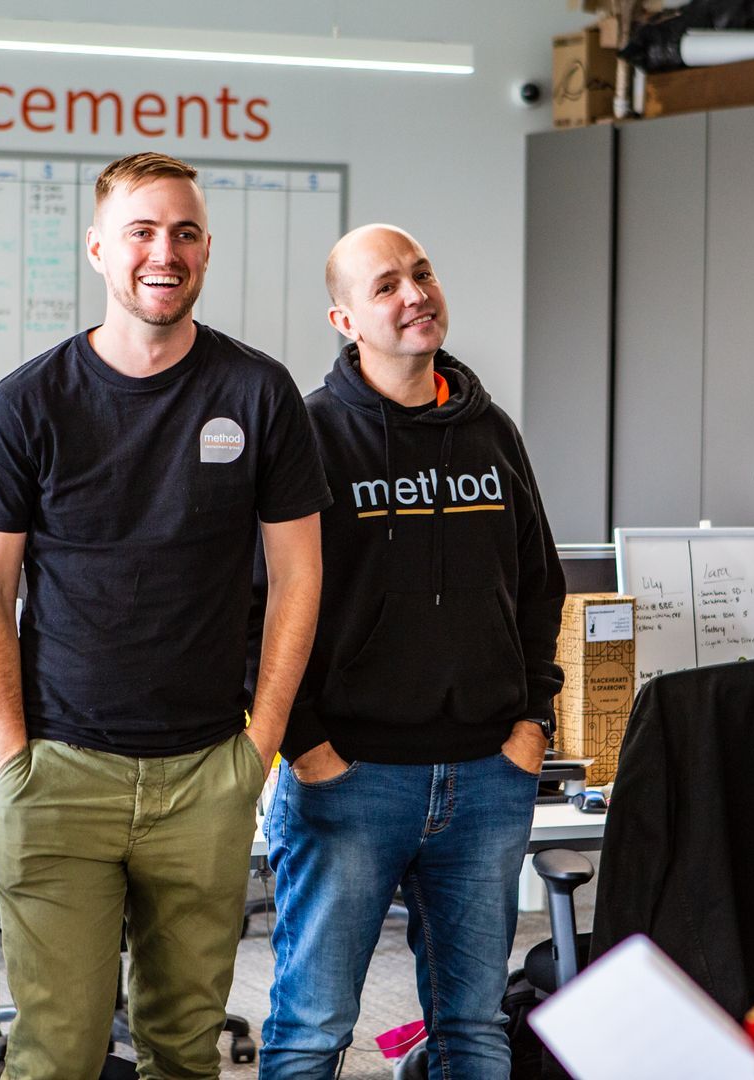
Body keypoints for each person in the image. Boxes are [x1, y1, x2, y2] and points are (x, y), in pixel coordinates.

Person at [0, 151, 328, 1080]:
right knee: (56, 1052)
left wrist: (261, 746)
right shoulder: (30, 401)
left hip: (207, 774)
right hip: (59, 773)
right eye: (142, 231)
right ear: (97, 249)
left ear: (206, 250)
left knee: (183, 1050)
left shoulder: (258, 393)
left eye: (186, 232)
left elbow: (297, 578)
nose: (166, 252)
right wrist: (10, 756)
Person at [258, 225, 567, 1079]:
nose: (413, 294)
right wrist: (306, 743)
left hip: (486, 776)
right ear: (344, 318)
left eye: (421, 274)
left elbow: (541, 583)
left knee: (472, 1029)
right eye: (385, 285)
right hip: (351, 777)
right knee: (315, 1028)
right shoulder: (310, 436)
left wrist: (532, 719)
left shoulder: (491, 432)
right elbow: (261, 603)